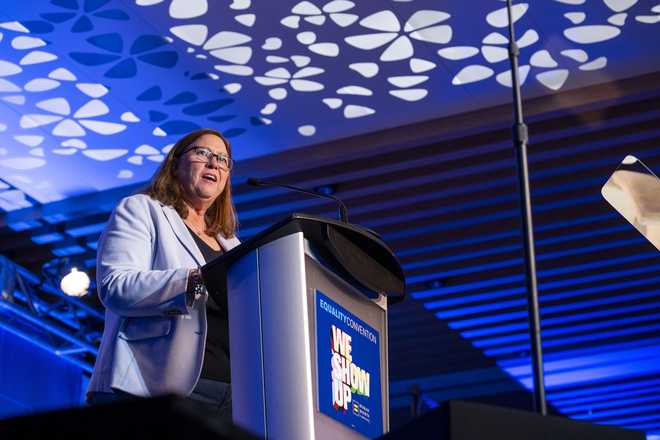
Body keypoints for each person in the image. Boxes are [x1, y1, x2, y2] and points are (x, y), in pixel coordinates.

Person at [87, 128, 240, 424]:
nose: (214, 164)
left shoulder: (231, 244)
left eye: (222, 159)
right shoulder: (141, 210)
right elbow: (116, 287)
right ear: (175, 163)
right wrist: (193, 281)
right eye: (202, 153)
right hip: (147, 385)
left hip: (226, 399)